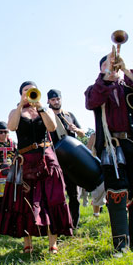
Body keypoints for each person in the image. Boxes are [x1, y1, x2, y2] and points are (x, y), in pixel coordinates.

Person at [85, 49, 133, 256]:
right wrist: (107, 78)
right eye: (107, 65)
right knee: (116, 192)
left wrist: (126, 70)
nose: (112, 67)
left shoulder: (131, 86)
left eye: (114, 64)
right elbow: (92, 102)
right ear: (101, 69)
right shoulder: (95, 89)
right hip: (111, 146)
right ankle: (121, 245)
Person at [0, 82, 73, 254]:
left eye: (31, 90)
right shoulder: (14, 112)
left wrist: (40, 108)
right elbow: (12, 127)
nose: (29, 93)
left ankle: (53, 243)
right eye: (25, 91)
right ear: (21, 94)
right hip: (25, 159)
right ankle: (27, 243)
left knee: (52, 197)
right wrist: (20, 106)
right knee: (25, 200)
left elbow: (51, 127)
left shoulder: (44, 110)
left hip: (46, 156)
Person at [47, 89, 87, 228]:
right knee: (58, 195)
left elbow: (82, 134)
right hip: (56, 160)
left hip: (71, 159)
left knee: (74, 194)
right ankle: (59, 224)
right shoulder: (47, 117)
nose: (56, 101)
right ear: (48, 101)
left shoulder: (69, 115)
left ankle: (73, 224)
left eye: (58, 99)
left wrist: (75, 129)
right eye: (53, 100)